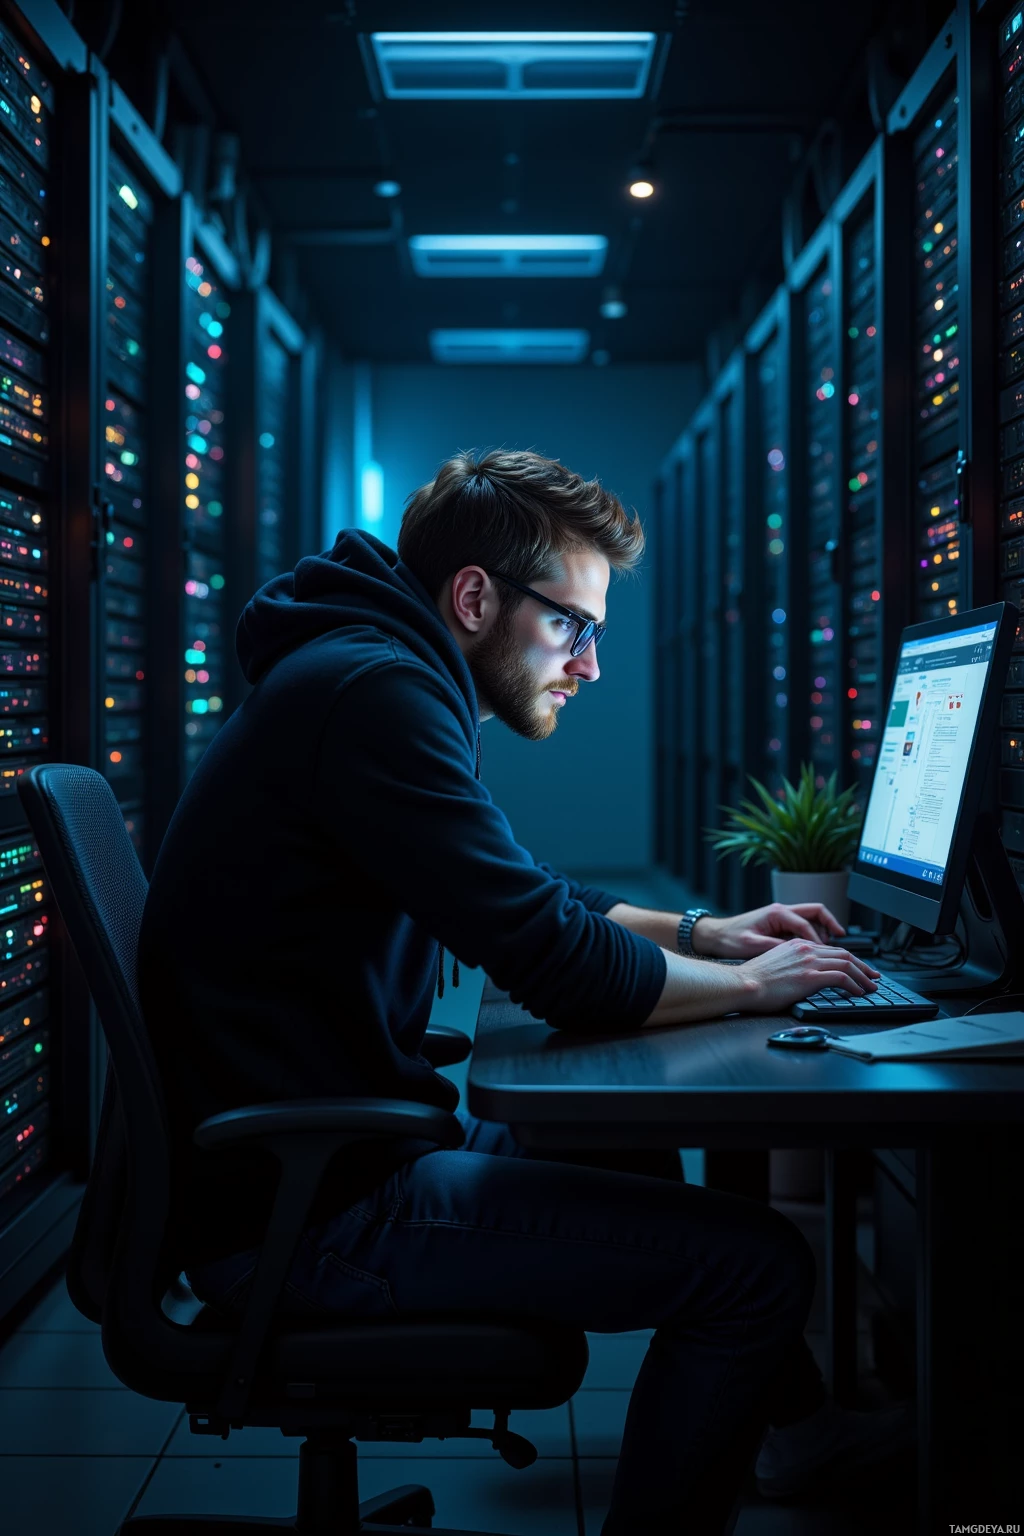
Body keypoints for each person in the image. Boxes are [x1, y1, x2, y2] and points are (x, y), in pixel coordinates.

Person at [139, 449, 904, 1534]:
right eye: (573, 627)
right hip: (309, 1215)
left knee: (616, 1139)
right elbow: (559, 965)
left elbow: (532, 893)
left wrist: (709, 935)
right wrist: (759, 989)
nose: (589, 665)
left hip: (312, 1166)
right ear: (473, 597)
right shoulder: (374, 694)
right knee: (761, 1272)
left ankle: (795, 1431)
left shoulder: (369, 670)